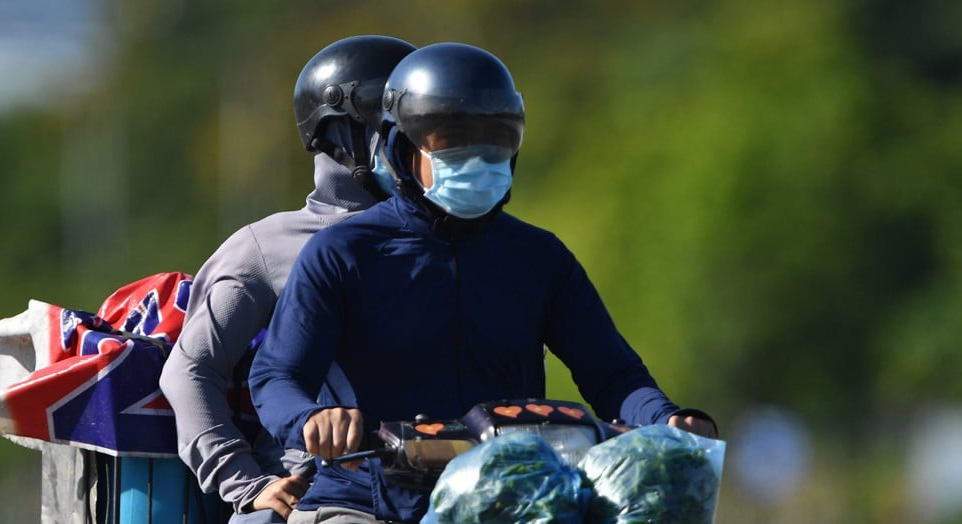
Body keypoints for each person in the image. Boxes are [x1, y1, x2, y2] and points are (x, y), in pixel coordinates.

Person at [248, 42, 718, 524]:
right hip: (365, 503)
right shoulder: (343, 252)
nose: (476, 159)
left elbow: (613, 375)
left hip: (511, 499)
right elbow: (276, 377)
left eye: (494, 141)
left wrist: (666, 419)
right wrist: (311, 419)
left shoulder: (540, 258)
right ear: (401, 146)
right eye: (452, 139)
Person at [158, 35, 416, 524]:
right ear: (341, 132)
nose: (417, 140)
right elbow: (190, 371)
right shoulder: (266, 247)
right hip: (318, 494)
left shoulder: (447, 239)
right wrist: (247, 484)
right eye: (396, 123)